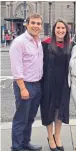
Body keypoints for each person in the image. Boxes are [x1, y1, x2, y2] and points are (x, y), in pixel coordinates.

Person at [9, 13, 43, 151]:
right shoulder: (19, 42)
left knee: (30, 118)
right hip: (25, 85)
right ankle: (16, 147)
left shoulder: (38, 40)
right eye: (33, 23)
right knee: (21, 119)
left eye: (38, 23)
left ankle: (25, 143)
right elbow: (17, 68)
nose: (35, 26)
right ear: (27, 24)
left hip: (37, 84)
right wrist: (23, 88)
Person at [40, 19, 71, 151]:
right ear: (54, 29)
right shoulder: (45, 44)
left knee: (60, 111)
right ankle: (50, 137)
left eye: (63, 28)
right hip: (48, 84)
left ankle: (57, 136)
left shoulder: (70, 45)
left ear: (66, 30)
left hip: (63, 84)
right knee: (49, 110)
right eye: (58, 28)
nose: (60, 30)